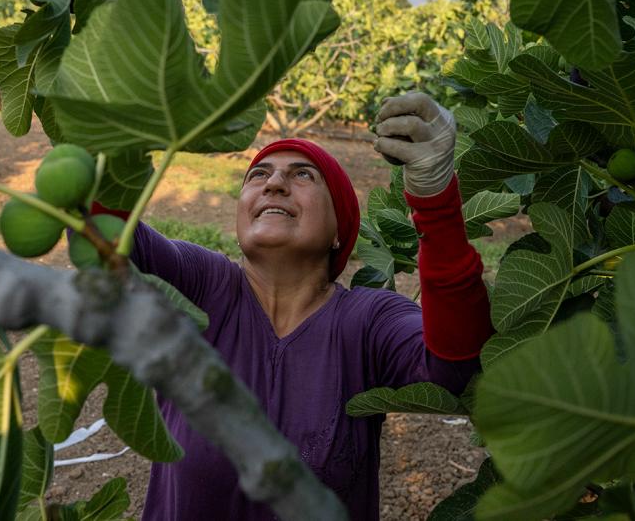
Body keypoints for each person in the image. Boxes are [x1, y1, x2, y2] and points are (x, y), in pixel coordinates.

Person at [102, 92, 494, 520]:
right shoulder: (204, 284)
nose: (274, 183)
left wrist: (436, 203)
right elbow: (107, 233)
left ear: (338, 233)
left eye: (303, 175)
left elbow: (455, 367)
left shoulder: (365, 321)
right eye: (259, 175)